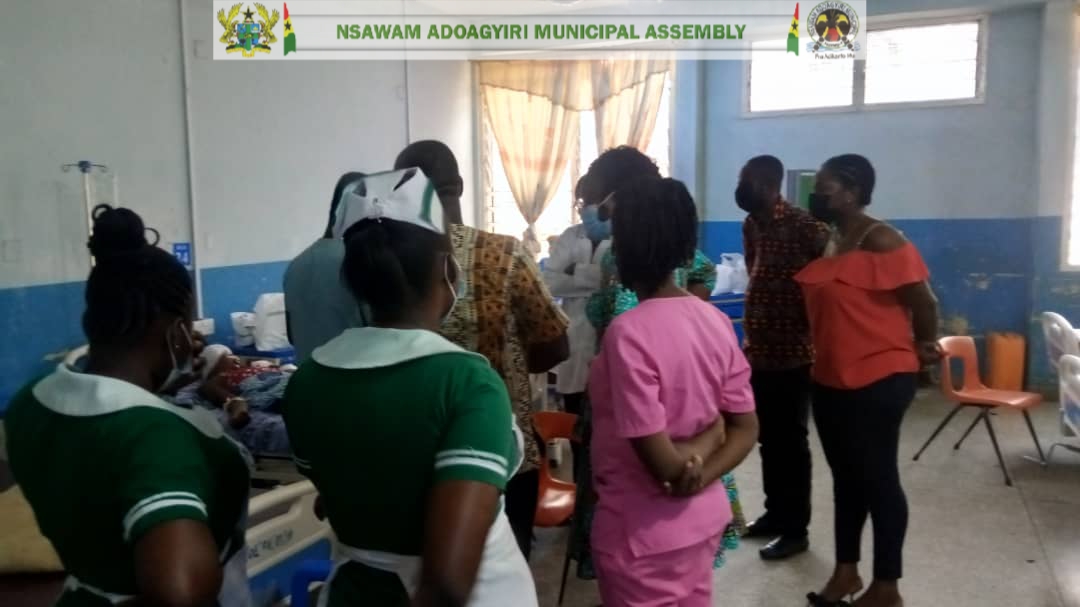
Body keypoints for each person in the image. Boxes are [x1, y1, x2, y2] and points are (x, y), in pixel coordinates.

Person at [282, 168, 537, 606]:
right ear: (447, 268)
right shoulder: (467, 383)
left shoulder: (307, 382)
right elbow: (448, 584)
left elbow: (334, 495)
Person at [4, 205, 251, 607]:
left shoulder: (30, 403)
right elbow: (182, 588)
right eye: (189, 328)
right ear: (176, 333)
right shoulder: (157, 435)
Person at [572, 146, 746, 581]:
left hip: (643, 527)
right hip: (700, 508)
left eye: (598, 202)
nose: (594, 211)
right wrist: (713, 438)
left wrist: (698, 452)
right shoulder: (716, 322)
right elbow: (743, 425)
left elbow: (665, 467)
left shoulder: (629, 330)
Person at [393, 141, 570, 560]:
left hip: (418, 452)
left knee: (427, 563)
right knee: (507, 565)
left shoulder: (394, 265)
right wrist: (510, 364)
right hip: (505, 448)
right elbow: (556, 345)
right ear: (459, 186)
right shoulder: (504, 254)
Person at [795, 154, 939, 607]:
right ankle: (846, 573)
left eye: (825, 188)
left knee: (878, 479)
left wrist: (925, 346)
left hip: (880, 375)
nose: (817, 196)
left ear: (853, 192)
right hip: (831, 375)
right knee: (846, 479)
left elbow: (924, 301)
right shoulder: (833, 238)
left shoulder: (881, 238)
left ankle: (887, 586)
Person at [736, 155, 830, 560]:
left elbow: (829, 280)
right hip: (759, 353)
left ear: (771, 185)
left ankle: (796, 530)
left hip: (793, 353)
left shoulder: (806, 226)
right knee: (768, 439)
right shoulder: (751, 224)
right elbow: (753, 270)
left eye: (749, 181)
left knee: (791, 444)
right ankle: (775, 514)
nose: (742, 188)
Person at [542, 173, 611, 419]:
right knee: (574, 417)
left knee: (606, 415)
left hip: (607, 339)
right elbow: (549, 283)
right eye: (581, 202)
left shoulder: (625, 239)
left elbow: (619, 281)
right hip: (573, 337)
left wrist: (576, 270)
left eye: (591, 200)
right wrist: (597, 278)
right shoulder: (570, 236)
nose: (585, 208)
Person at [284, 172, 368, 361]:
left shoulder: (295, 266)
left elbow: (291, 336)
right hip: (355, 375)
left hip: (309, 375)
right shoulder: (360, 262)